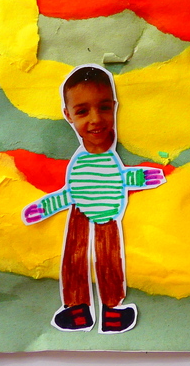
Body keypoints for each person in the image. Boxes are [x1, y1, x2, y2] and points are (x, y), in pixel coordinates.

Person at [22, 64, 166, 334]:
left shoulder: (111, 159)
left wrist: (143, 177)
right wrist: (44, 207)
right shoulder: (78, 163)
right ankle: (77, 309)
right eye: (82, 111)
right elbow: (71, 193)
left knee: (109, 260)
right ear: (68, 115)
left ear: (115, 107)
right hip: (79, 213)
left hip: (108, 216)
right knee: (74, 258)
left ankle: (113, 310)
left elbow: (120, 178)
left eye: (104, 107)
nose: (96, 119)